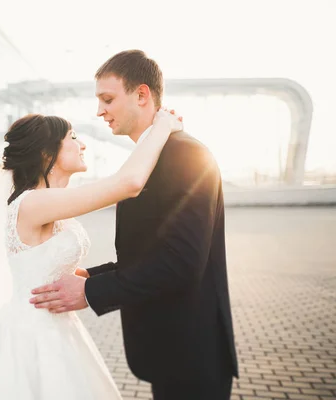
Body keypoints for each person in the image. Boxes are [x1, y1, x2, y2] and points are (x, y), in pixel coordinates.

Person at [0, 108, 183, 399]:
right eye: (73, 137)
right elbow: (129, 183)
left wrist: (88, 281)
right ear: (47, 154)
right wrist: (161, 126)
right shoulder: (33, 203)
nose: (83, 144)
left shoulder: (50, 203)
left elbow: (46, 266)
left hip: (57, 327)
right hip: (32, 336)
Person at [30, 50, 239, 400]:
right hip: (170, 352)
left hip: (193, 355)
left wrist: (90, 294)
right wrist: (89, 276)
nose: (100, 111)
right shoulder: (149, 159)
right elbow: (149, 253)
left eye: (108, 99)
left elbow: (181, 263)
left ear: (142, 95)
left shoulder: (186, 155)